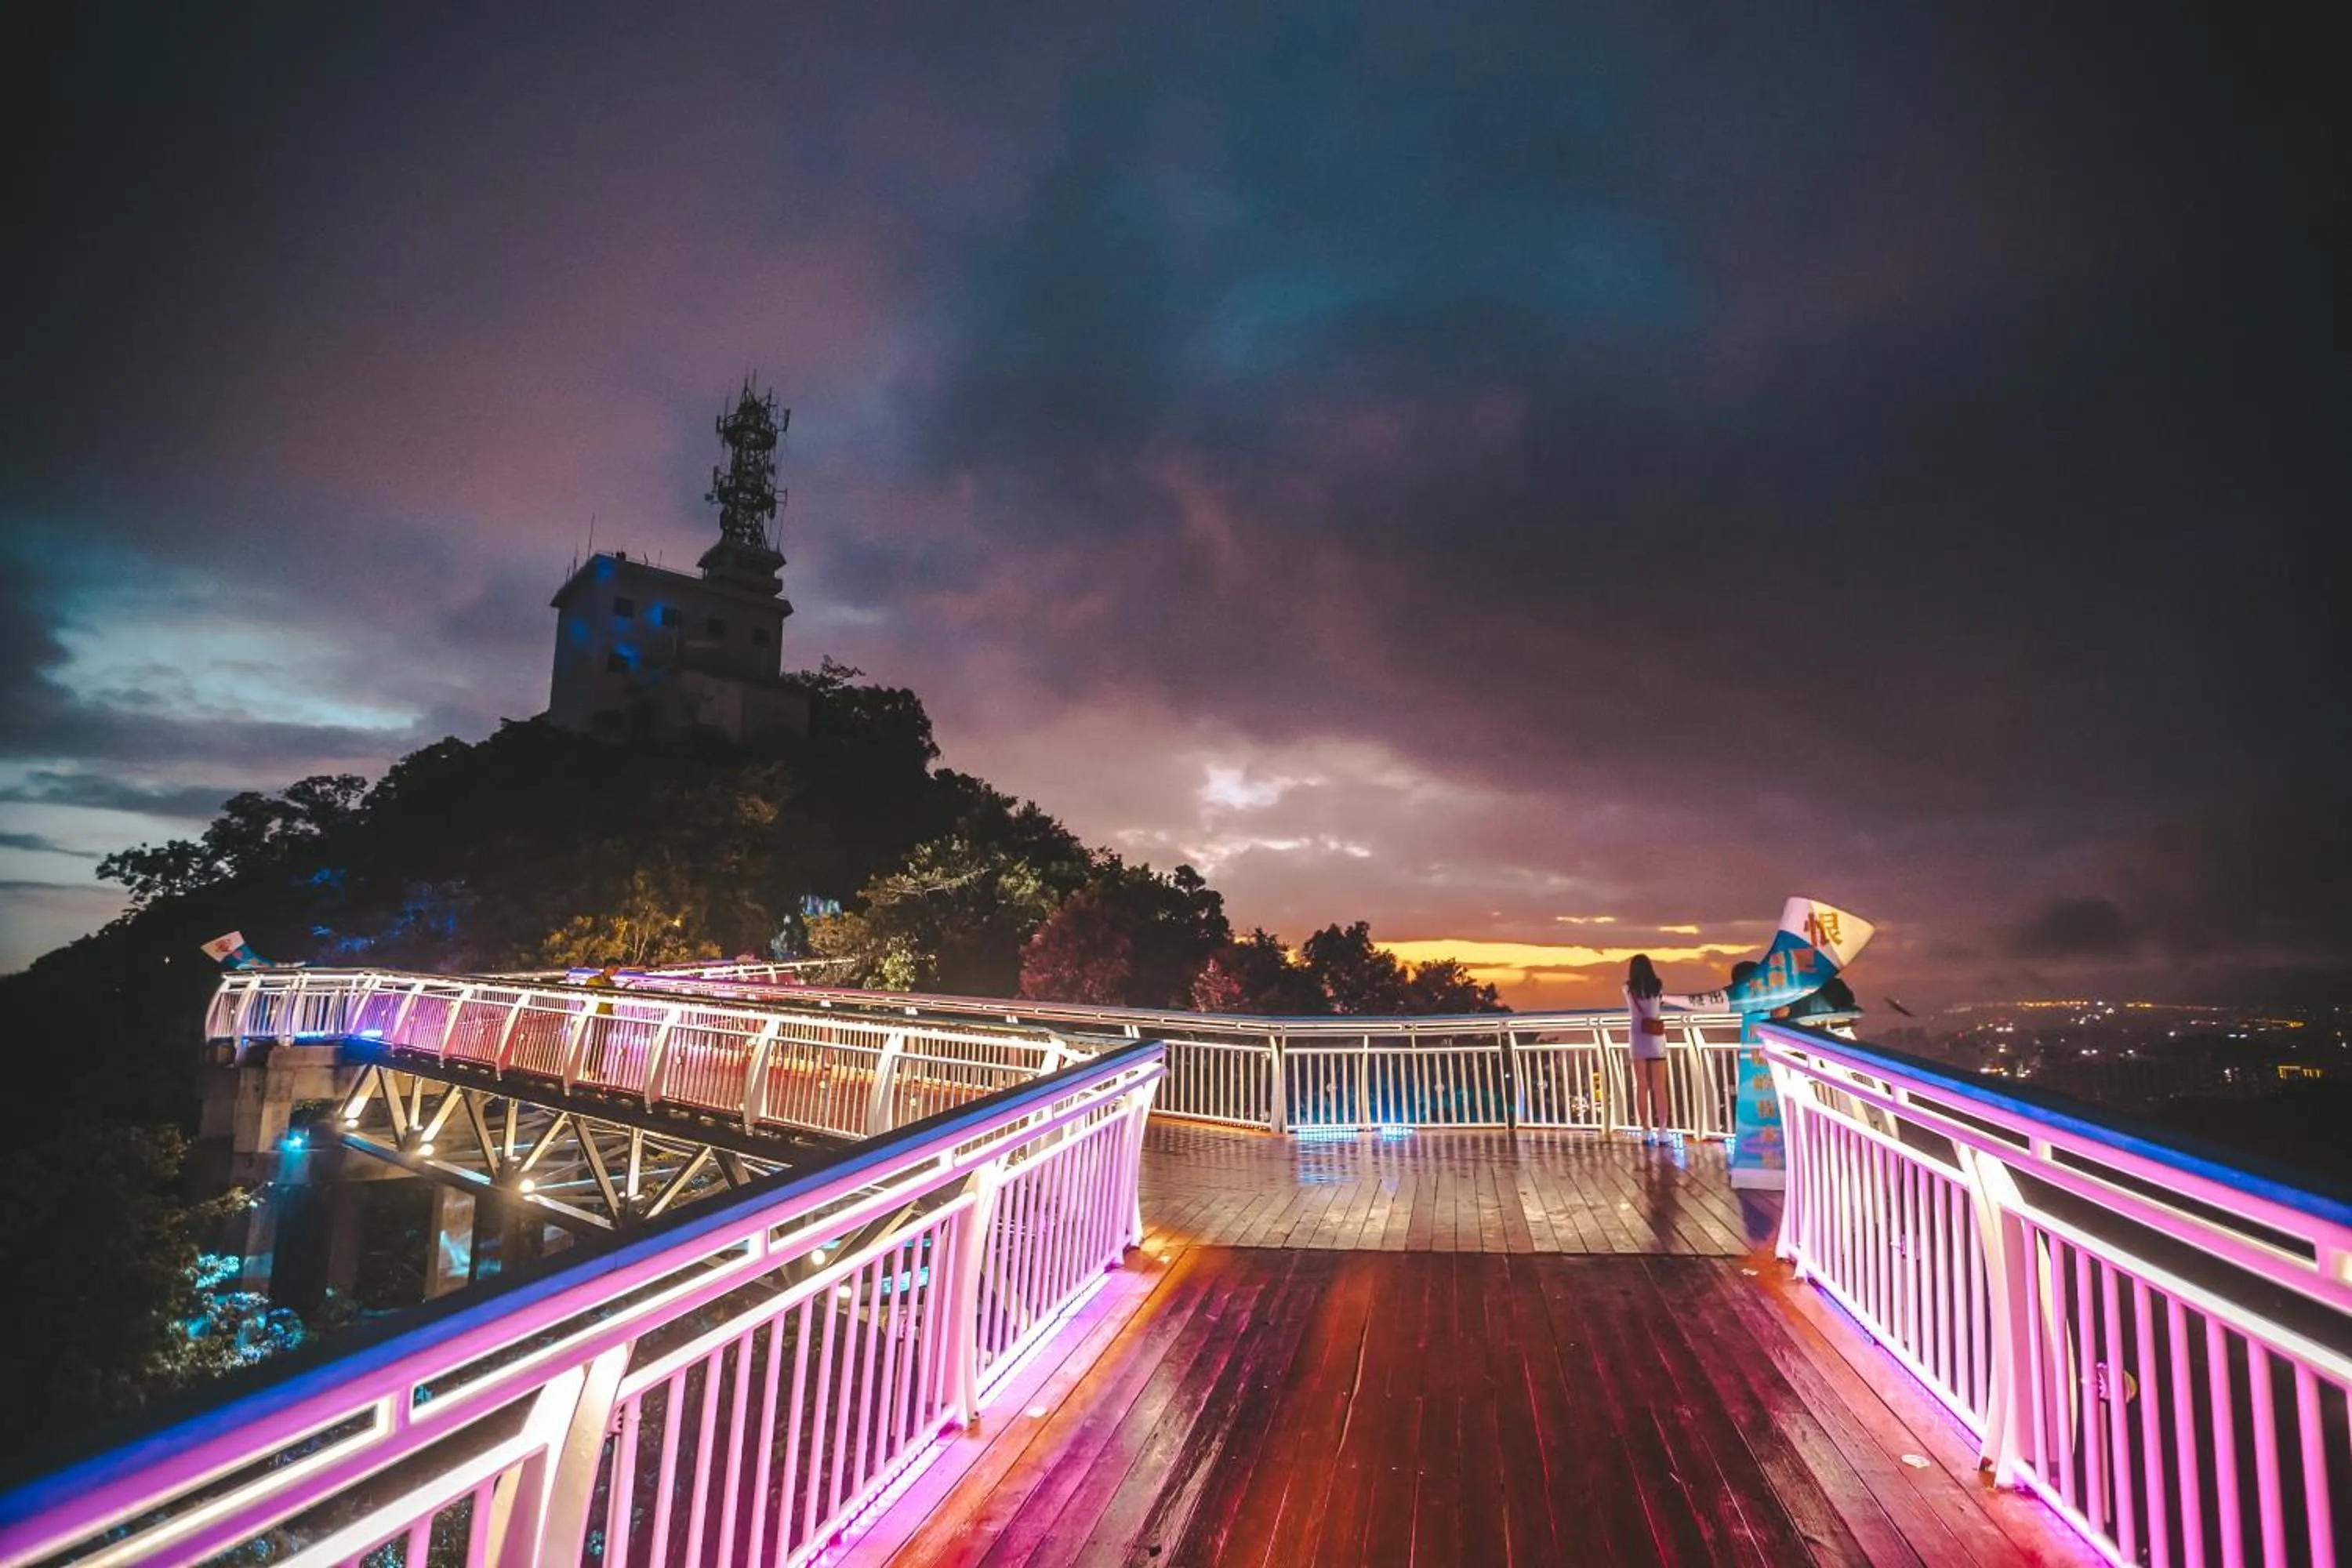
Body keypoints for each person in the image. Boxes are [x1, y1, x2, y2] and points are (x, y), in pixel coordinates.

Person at [1624, 954, 1715, 1146]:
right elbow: (1658, 1003)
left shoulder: (1627, 988)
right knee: (1659, 1086)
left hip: (1637, 1036)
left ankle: (1645, 1130)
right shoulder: (1657, 987)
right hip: (1656, 1038)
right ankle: (1663, 1130)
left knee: (1641, 1085)